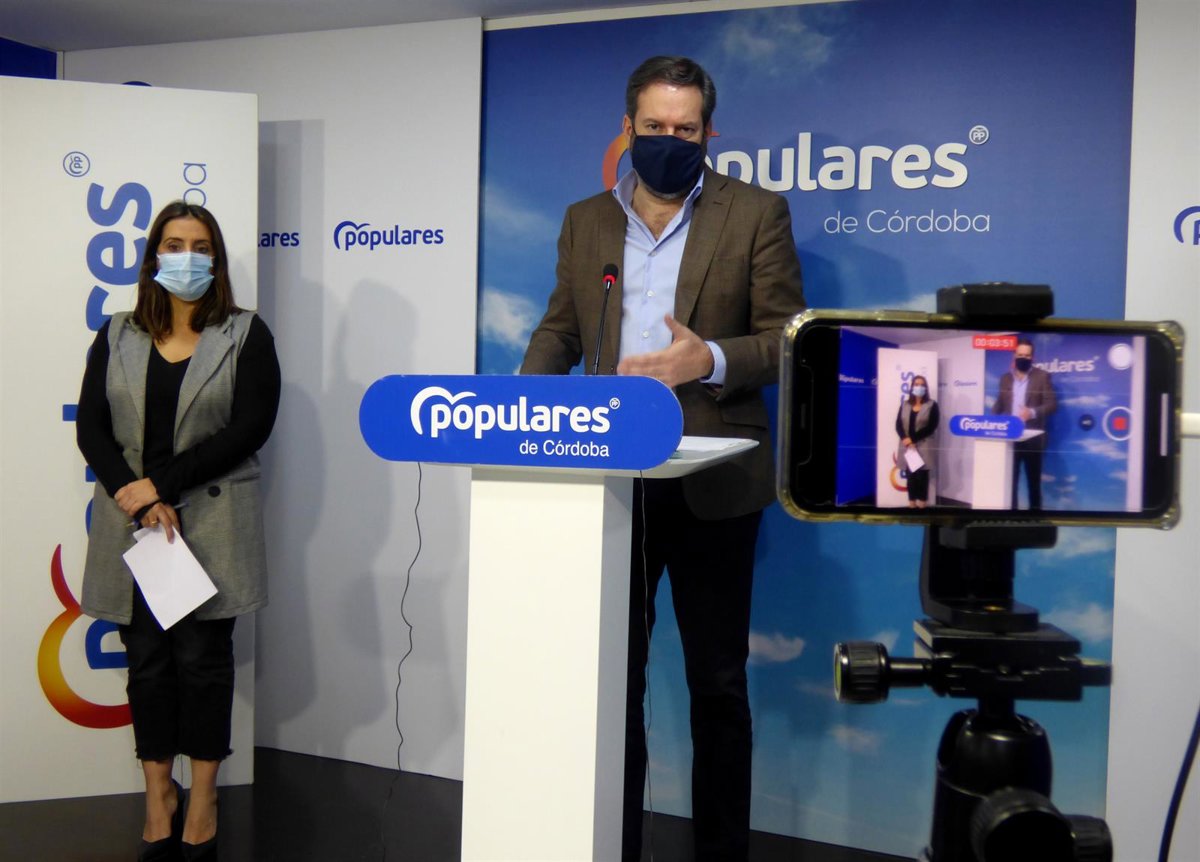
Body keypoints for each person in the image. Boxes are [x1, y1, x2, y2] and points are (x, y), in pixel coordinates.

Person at [520, 55, 805, 861]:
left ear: (708, 132)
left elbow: (788, 339)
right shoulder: (586, 221)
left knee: (718, 685)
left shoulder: (756, 212)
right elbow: (561, 329)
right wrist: (522, 407)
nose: (670, 141)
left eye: (686, 129)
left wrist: (705, 358)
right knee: (613, 681)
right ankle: (612, 843)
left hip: (716, 480)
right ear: (628, 129)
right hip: (612, 478)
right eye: (654, 127)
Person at [76, 201, 281, 862]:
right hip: (136, 527)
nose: (185, 256)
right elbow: (91, 428)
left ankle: (204, 796)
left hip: (211, 524)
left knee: (202, 662)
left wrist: (160, 485)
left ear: (215, 259)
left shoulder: (245, 333)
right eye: (173, 244)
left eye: (199, 246)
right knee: (147, 663)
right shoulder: (117, 333)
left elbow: (250, 427)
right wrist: (137, 498)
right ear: (153, 256)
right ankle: (158, 794)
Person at [992, 337, 1056, 509]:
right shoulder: (1005, 379)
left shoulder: (1042, 377)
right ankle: (1012, 518)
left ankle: (1034, 519)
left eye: (1027, 356)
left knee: (1033, 484)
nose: (1023, 358)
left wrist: (1032, 412)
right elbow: (1000, 403)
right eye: (1020, 355)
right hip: (1009, 438)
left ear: (1032, 357)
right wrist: (990, 420)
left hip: (1032, 440)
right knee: (1009, 483)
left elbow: (1052, 404)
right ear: (1014, 356)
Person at [895, 375, 939, 508]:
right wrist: (905, 439)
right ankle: (911, 503)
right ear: (912, 387)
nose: (919, 387)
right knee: (911, 476)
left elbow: (932, 426)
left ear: (925, 387)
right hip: (908, 446)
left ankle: (922, 503)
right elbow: (898, 424)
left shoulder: (932, 405)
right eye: (916, 384)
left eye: (922, 384)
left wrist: (913, 439)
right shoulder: (905, 404)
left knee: (922, 475)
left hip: (924, 445)